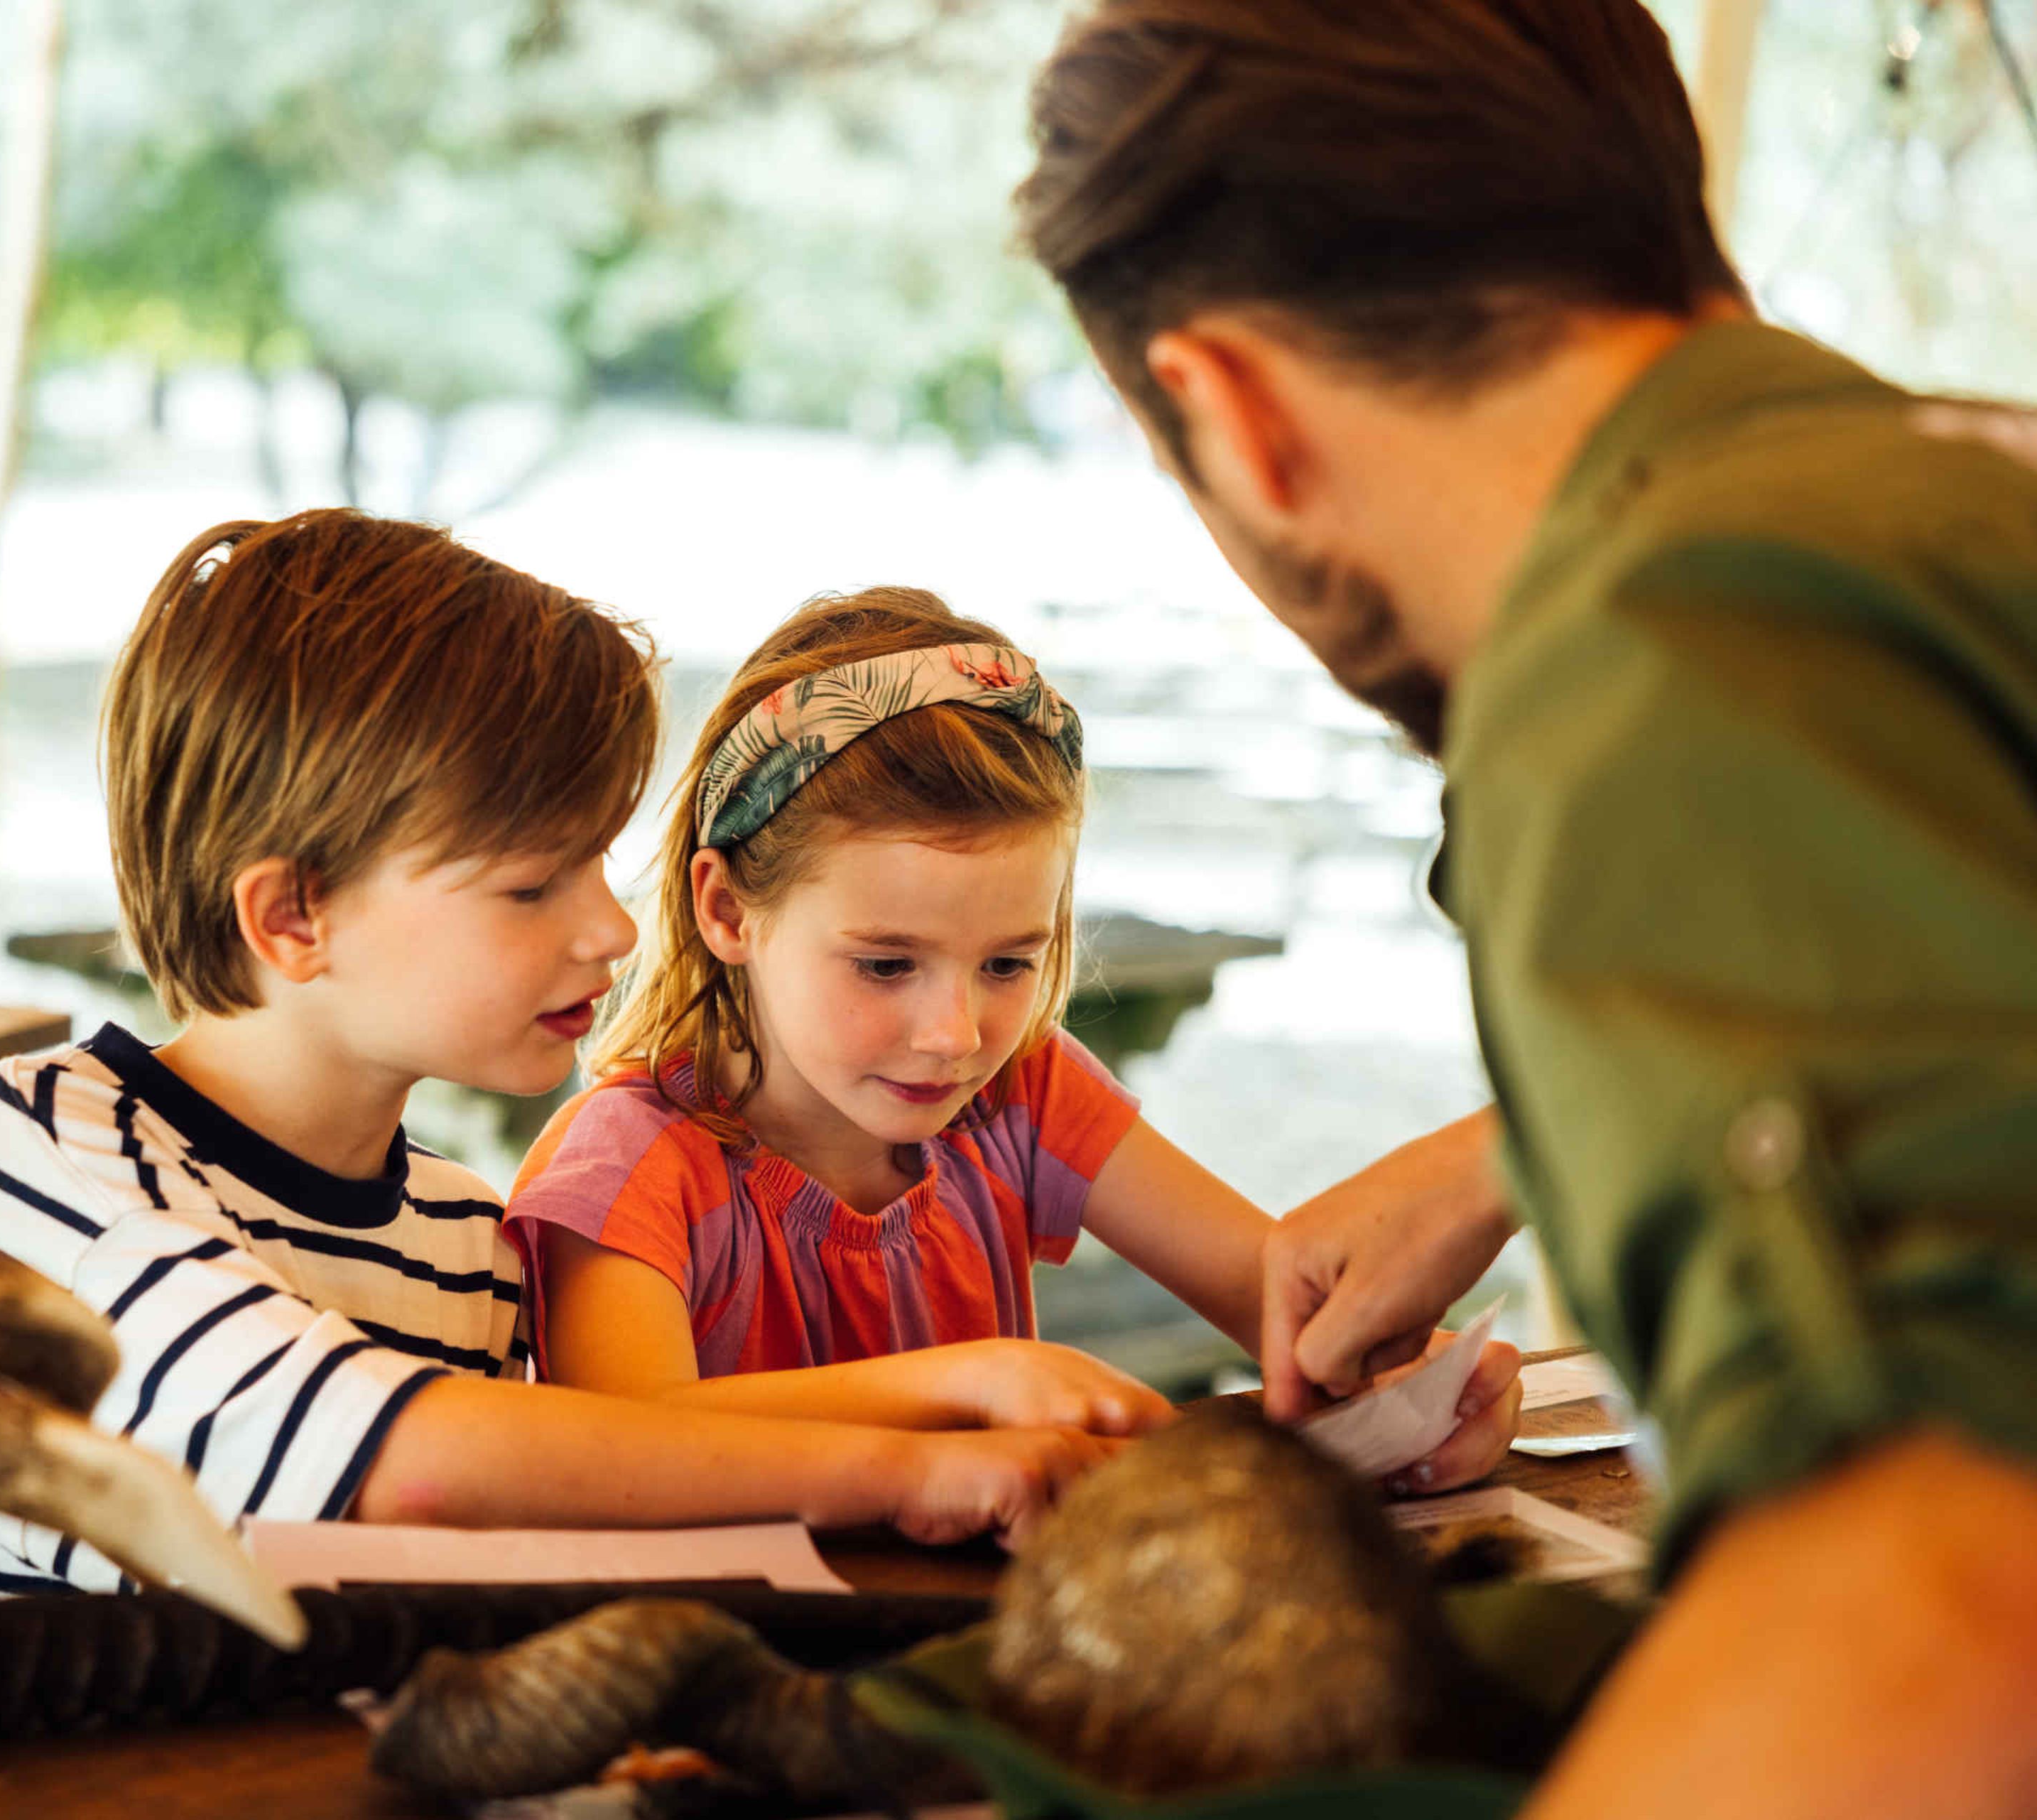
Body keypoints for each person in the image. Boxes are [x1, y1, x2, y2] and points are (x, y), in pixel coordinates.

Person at [1014, 2, 2037, 1813]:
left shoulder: (1669, 650)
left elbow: (1951, 1585)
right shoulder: (1982, 490)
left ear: (1231, 414)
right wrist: (1515, 1147)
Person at [0, 511, 1123, 1602]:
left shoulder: (462, 1239)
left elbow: (527, 1531)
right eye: (531, 885)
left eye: (599, 866)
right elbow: (411, 1469)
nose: (615, 928)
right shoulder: (41, 1152)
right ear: (294, 916)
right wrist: (931, 1443)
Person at [508, 585, 1520, 1495]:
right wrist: (972, 1383)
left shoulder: (1022, 1094)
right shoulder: (628, 1167)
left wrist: (1413, 1387)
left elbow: (1288, 1311)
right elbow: (622, 1437)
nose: (955, 1036)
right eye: (886, 965)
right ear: (727, 908)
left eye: (1007, 963)